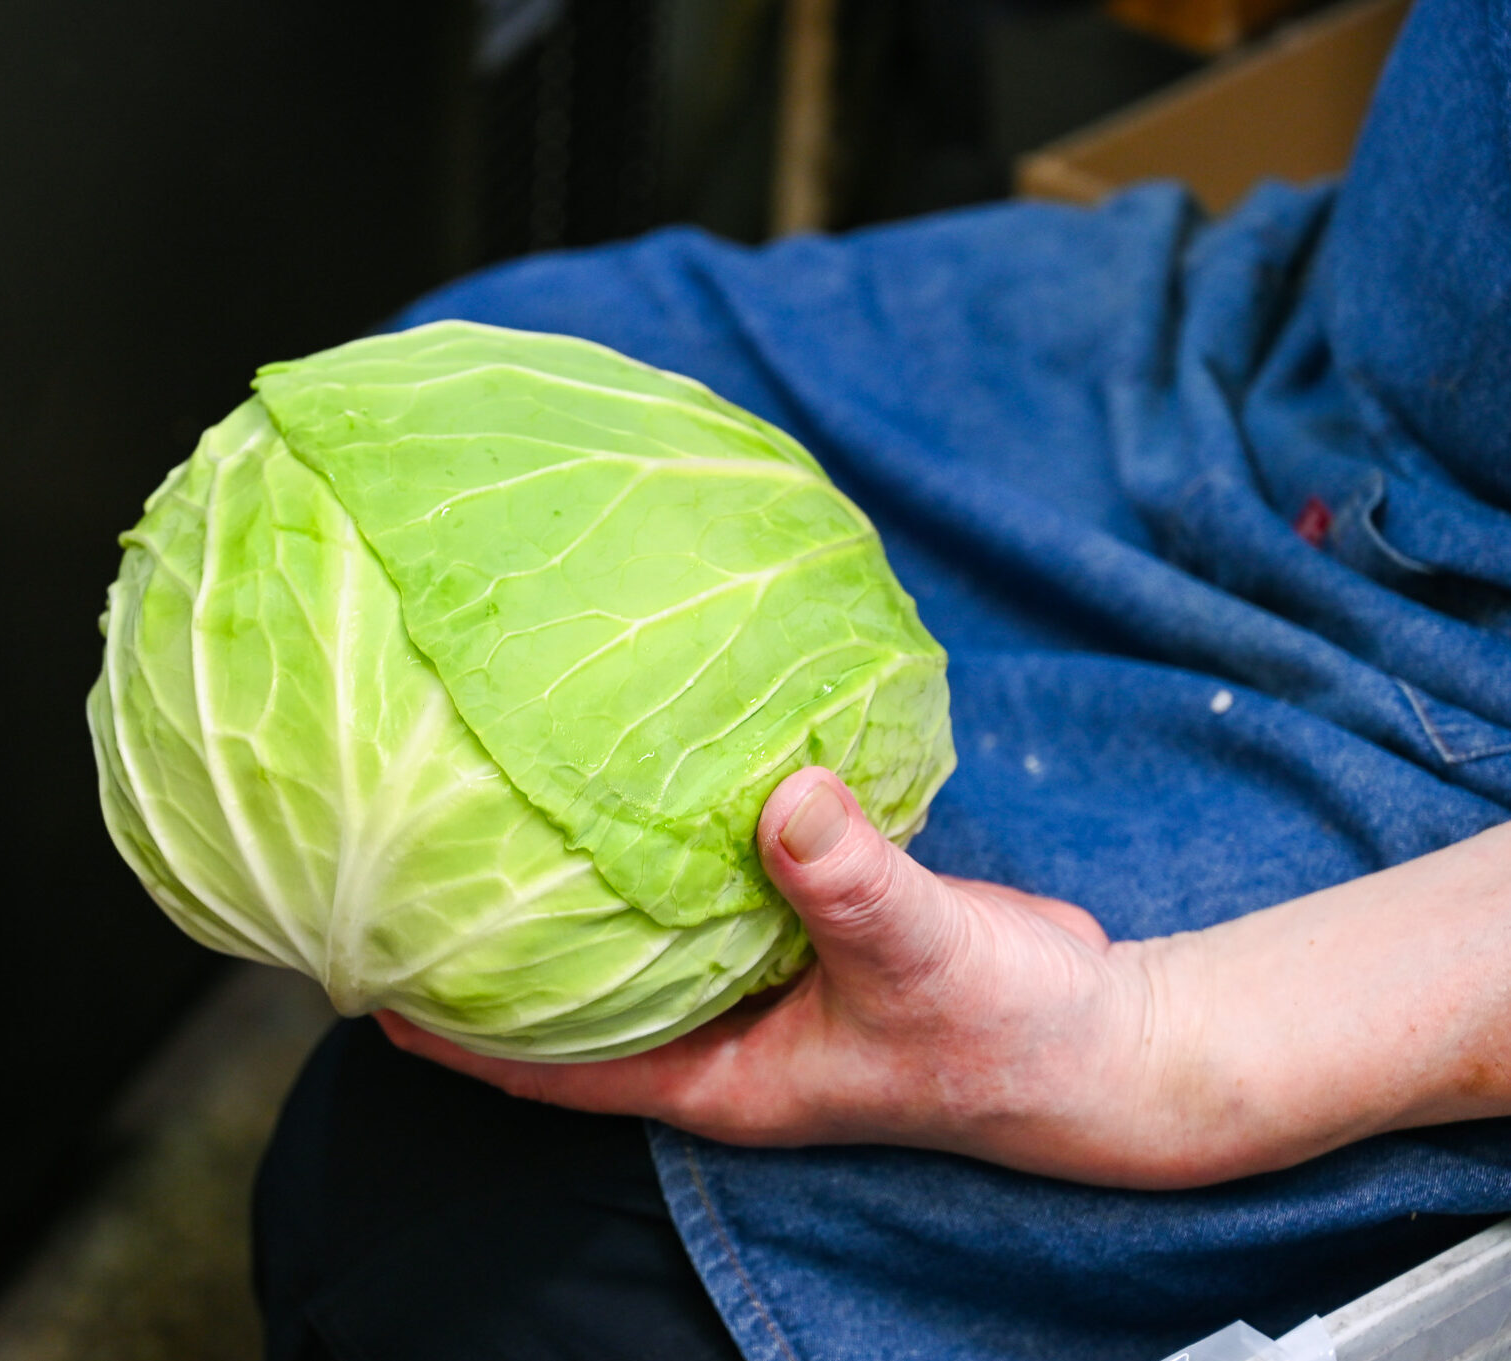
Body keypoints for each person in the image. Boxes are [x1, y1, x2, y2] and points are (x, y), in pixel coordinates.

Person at [252, 0, 1511, 1356]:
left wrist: (1156, 1037)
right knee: (426, 370)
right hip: (1300, 349)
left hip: (1468, 733)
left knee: (462, 1231)